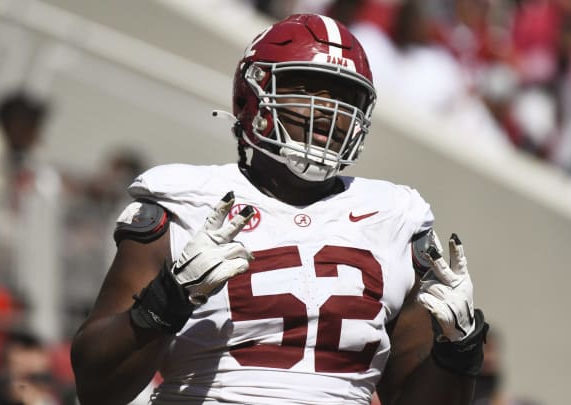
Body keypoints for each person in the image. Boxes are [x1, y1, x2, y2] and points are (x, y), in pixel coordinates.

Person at [70, 13, 488, 405]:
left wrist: (459, 351)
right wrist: (169, 298)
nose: (326, 108)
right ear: (249, 94)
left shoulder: (395, 219)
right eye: (305, 87)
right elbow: (96, 387)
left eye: (345, 96)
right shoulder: (186, 201)